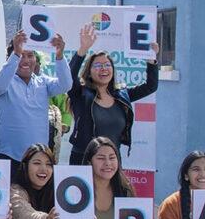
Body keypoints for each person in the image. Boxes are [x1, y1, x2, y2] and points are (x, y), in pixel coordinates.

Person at [67, 24, 158, 165]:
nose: (103, 68)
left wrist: (151, 61)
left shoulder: (122, 95)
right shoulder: (81, 93)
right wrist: (83, 49)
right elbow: (69, 77)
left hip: (111, 162)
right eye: (97, 66)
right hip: (83, 160)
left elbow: (150, 87)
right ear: (89, 71)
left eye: (107, 65)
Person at [0, 29, 72, 172]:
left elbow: (66, 84)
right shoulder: (2, 83)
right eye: (21, 56)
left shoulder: (43, 82)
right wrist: (15, 53)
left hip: (38, 158)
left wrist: (59, 55)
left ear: (36, 59)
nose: (26, 60)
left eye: (30, 55)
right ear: (11, 57)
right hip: (9, 157)